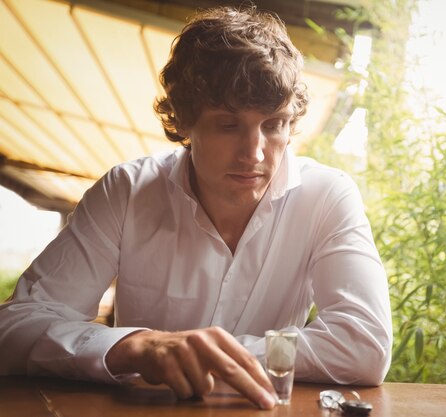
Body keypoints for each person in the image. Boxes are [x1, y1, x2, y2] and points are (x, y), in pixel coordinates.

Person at [0, 5, 392, 410]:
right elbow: (13, 328)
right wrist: (135, 346)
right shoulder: (127, 191)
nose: (255, 153)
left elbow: (364, 344)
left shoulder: (327, 196)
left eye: (273, 124)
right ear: (185, 121)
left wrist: (199, 355)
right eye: (228, 124)